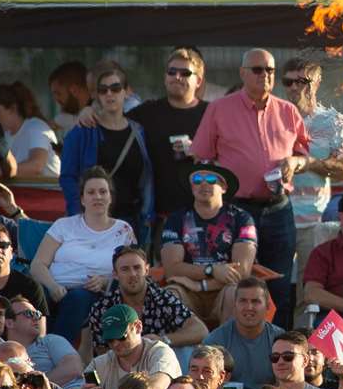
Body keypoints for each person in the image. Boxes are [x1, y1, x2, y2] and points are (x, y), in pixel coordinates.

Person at [191, 49, 312, 328]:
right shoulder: (220, 109)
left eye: (270, 70)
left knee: (280, 284)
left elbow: (303, 155)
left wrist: (295, 162)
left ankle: (279, 345)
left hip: (279, 208)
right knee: (241, 285)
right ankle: (240, 346)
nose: (265, 75)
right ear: (243, 73)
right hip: (237, 209)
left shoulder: (288, 110)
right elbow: (201, 156)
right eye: (257, 70)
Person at [31, 166, 137, 345]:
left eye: (103, 192)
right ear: (82, 199)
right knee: (36, 298)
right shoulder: (64, 225)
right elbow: (38, 264)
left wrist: (105, 281)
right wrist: (52, 286)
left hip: (93, 293)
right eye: (91, 192)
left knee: (77, 298)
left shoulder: (123, 230)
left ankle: (56, 349)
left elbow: (132, 268)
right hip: (54, 288)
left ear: (110, 197)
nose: (97, 196)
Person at [59, 59, 153, 236]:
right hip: (93, 222)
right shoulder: (83, 130)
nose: (110, 94)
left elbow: (147, 179)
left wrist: (147, 217)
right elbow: (67, 177)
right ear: (96, 95)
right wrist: (79, 216)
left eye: (116, 88)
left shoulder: (139, 131)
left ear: (126, 92)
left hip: (131, 222)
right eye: (103, 90)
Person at [160, 161, 258, 330]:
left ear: (224, 187)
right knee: (171, 293)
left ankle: (227, 353)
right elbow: (171, 269)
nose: (203, 183)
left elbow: (241, 273)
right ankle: (180, 354)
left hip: (222, 290)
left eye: (211, 179)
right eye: (197, 179)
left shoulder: (242, 218)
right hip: (187, 290)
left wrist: (201, 285)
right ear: (192, 187)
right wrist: (211, 270)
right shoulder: (176, 219)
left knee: (235, 292)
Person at [126, 46, 210, 234]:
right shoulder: (148, 111)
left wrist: (199, 151)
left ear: (199, 81)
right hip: (158, 216)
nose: (177, 77)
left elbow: (229, 156)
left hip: (203, 215)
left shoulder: (212, 113)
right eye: (171, 72)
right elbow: (113, 122)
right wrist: (89, 111)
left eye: (185, 73)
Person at [282, 57, 343, 270]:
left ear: (317, 81)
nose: (294, 87)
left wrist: (308, 163)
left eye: (302, 81)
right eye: (288, 82)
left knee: (310, 292)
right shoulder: (272, 117)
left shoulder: (331, 121)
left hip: (314, 219)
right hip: (278, 215)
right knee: (275, 289)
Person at [80, 245, 203, 363]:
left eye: (137, 267)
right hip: (122, 368)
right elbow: (102, 352)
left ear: (147, 270)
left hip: (161, 362)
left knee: (186, 350)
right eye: (125, 269)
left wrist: (163, 340)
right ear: (115, 274)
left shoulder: (163, 299)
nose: (133, 274)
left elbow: (200, 330)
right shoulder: (103, 308)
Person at [0, 80, 61, 178]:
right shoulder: (4, 136)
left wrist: (0, 172)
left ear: (12, 109)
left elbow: (37, 165)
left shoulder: (37, 128)